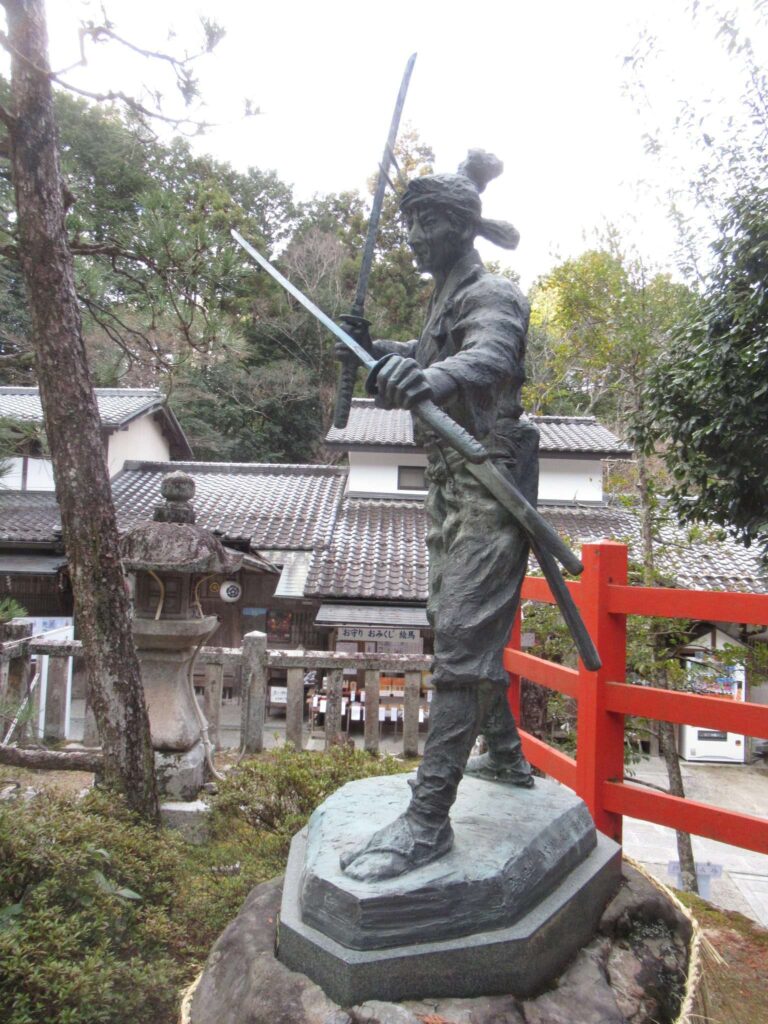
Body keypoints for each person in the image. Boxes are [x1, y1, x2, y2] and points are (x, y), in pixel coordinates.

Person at [338, 150, 539, 882]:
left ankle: (427, 820)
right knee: (455, 621)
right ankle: (509, 758)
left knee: (460, 634)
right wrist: (373, 348)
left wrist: (428, 374)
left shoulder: (494, 295)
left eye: (426, 223)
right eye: (410, 223)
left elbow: (486, 357)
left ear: (459, 228)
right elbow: (425, 353)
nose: (414, 237)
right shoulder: (441, 300)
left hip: (492, 478)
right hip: (450, 483)